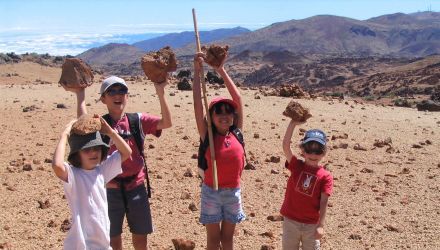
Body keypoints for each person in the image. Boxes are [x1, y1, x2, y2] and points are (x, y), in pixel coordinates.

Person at [65, 75, 172, 250]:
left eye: (122, 90)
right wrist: (80, 95)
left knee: (140, 239)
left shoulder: (137, 120)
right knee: (113, 239)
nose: (117, 95)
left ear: (127, 96)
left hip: (136, 186)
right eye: (111, 91)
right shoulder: (99, 123)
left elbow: (166, 123)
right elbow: (82, 123)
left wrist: (161, 93)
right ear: (103, 99)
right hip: (109, 189)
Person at [52, 116, 132, 250]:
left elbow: (126, 152)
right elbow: (57, 166)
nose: (93, 152)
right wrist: (64, 135)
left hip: (102, 243)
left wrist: (111, 132)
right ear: (77, 154)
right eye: (87, 149)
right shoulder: (74, 174)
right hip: (80, 244)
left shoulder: (101, 171)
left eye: (97, 148)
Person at [193, 52, 246, 250]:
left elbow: (238, 99)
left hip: (233, 192)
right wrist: (198, 72)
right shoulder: (207, 135)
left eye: (228, 113)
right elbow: (198, 106)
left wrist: (220, 70)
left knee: (228, 239)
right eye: (218, 113)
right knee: (214, 240)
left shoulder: (237, 133)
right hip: (212, 192)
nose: (224, 117)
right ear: (211, 117)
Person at [281, 120, 334, 250]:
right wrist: (293, 123)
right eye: (309, 149)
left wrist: (321, 226)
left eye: (318, 151)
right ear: (302, 150)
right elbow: (285, 145)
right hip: (291, 221)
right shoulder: (296, 166)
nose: (313, 155)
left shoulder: (325, 176)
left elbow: (323, 202)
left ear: (324, 152)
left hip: (311, 225)